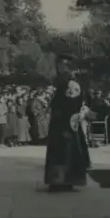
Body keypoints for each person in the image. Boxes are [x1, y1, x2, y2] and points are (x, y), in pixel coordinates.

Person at [44, 53, 91, 191]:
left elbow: (71, 105)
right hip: (60, 122)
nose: (58, 68)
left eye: (61, 65)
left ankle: (63, 181)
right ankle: (59, 181)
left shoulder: (71, 83)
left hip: (66, 123)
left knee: (65, 152)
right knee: (59, 151)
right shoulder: (61, 83)